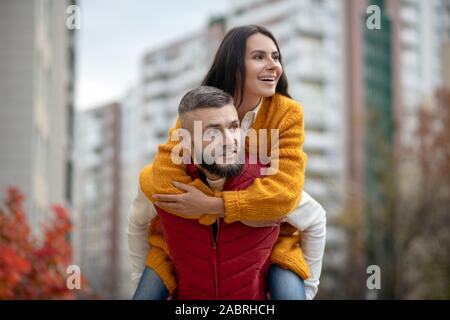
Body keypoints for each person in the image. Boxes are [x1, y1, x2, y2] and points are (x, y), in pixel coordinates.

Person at [128, 25, 326, 300]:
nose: (274, 66)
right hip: (186, 243)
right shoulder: (204, 107)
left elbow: (285, 195)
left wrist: (214, 206)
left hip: (271, 240)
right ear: (234, 65)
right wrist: (204, 215)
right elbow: (163, 175)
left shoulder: (287, 113)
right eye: (259, 57)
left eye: (276, 57)